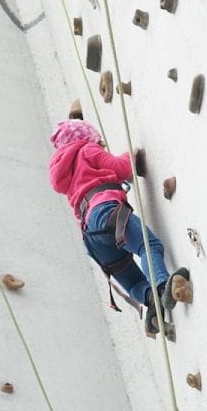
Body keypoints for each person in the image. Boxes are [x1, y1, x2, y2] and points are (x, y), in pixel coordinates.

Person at [48, 119, 192, 336]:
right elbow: (121, 168)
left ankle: (152, 305)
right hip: (106, 211)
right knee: (148, 245)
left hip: (91, 235)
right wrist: (131, 154)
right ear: (87, 138)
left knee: (132, 279)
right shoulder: (87, 149)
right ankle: (163, 287)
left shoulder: (65, 173)